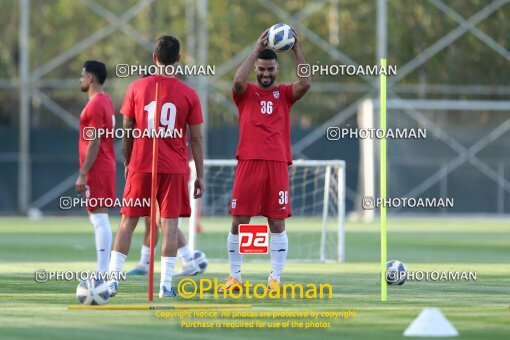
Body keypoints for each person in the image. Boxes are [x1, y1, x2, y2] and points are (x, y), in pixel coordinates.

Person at [107, 35, 205, 298]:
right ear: (178, 59)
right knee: (170, 224)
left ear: (154, 58)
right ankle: (165, 286)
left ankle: (113, 281)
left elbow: (128, 128)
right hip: (173, 168)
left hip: (141, 165)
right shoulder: (189, 94)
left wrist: (128, 160)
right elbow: (195, 137)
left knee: (128, 221)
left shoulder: (137, 87)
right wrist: (200, 176)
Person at [224, 29, 311, 292]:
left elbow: (305, 83)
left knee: (276, 222)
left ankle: (275, 278)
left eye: (270, 69)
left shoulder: (284, 94)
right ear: (256, 69)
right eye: (261, 68)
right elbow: (237, 81)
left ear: (277, 69)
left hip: (277, 164)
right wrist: (254, 50)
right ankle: (235, 278)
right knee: (240, 220)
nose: (265, 73)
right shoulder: (245, 93)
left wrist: (296, 49)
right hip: (249, 163)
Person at [76, 60, 116, 274]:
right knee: (98, 216)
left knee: (99, 217)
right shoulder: (106, 100)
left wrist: (83, 172)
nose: (80, 80)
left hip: (97, 167)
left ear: (90, 78)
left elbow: (94, 141)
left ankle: (102, 271)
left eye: (82, 76)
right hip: (104, 164)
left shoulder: (95, 105)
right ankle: (103, 269)